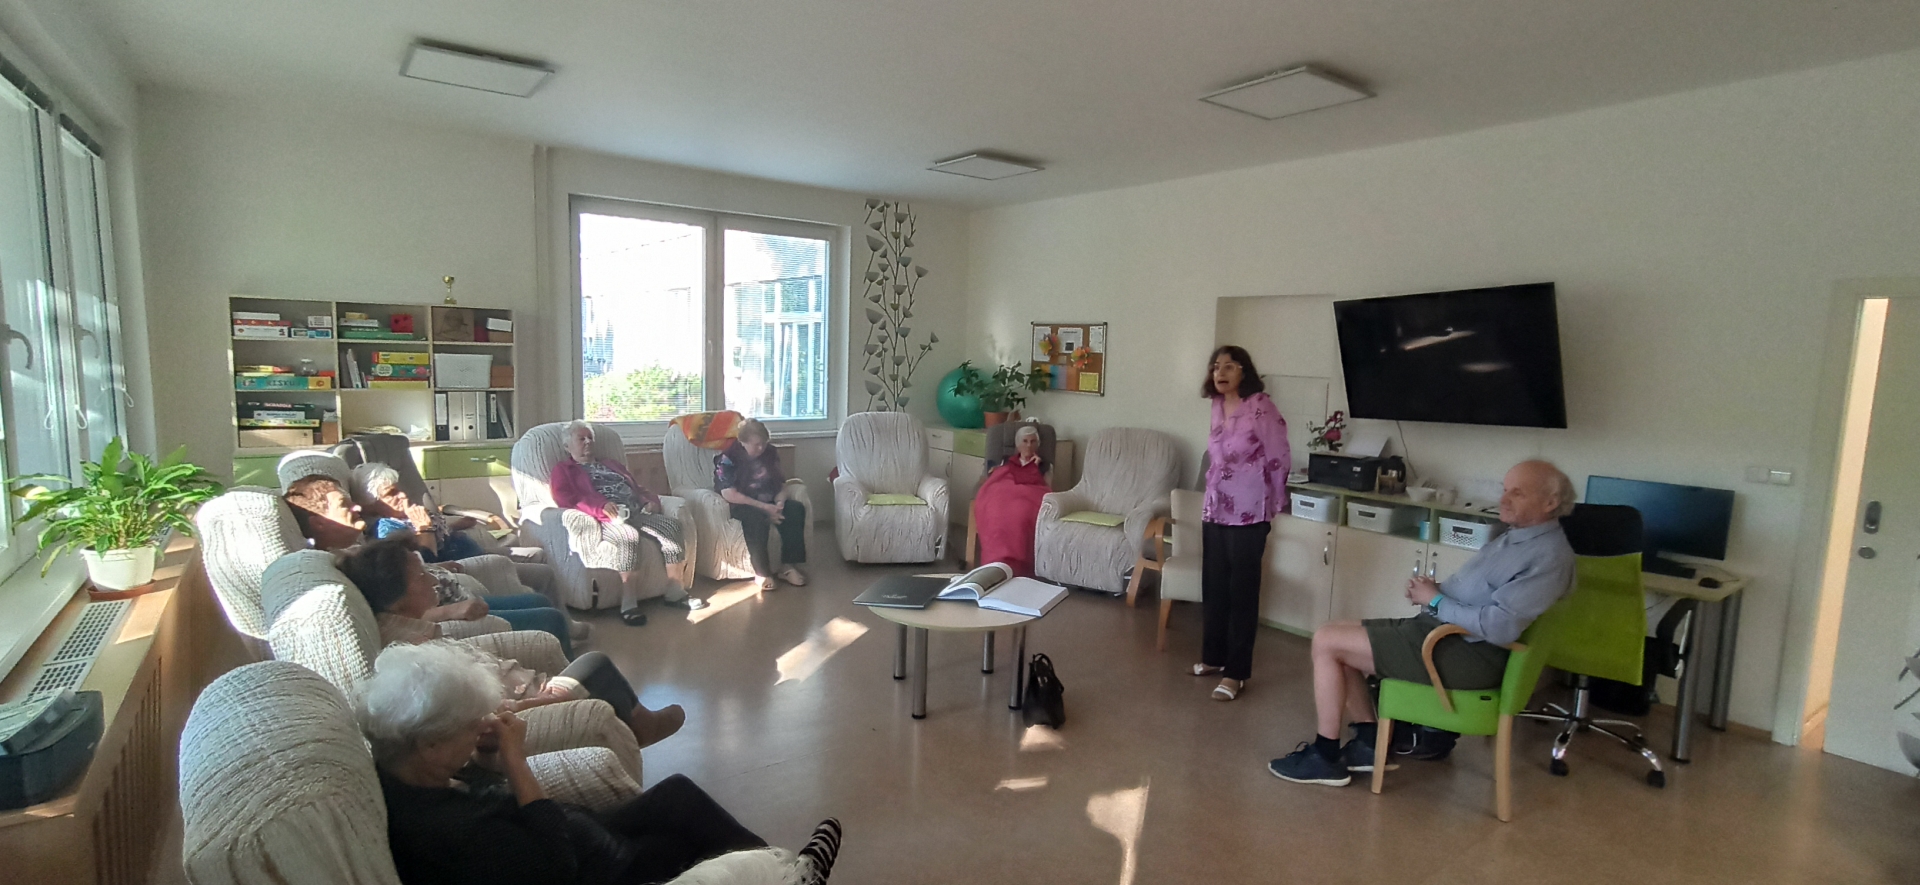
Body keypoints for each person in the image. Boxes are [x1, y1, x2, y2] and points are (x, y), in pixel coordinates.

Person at [359, 641, 842, 885]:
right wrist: (513, 758)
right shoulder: (450, 833)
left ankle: (786, 870)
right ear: (429, 742)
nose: (480, 728)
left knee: (676, 796)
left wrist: (480, 755)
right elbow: (556, 863)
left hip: (588, 838)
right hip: (596, 869)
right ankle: (784, 873)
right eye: (469, 725)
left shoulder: (412, 770)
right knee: (679, 841)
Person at [1267, 460, 1578, 787]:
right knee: (1338, 630)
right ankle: (1370, 743)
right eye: (1505, 490)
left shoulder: (1548, 556)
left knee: (1328, 641)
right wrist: (1435, 591)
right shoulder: (1518, 537)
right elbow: (1484, 596)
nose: (1504, 499)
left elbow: (1499, 627)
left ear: (1550, 502)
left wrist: (1436, 600)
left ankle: (1325, 756)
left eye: (1518, 493)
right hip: (1444, 634)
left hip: (1466, 653)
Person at [338, 537, 685, 749]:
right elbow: (469, 713)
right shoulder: (411, 654)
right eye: (420, 576)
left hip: (519, 688)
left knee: (592, 665)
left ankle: (633, 724)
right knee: (595, 665)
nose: (432, 580)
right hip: (521, 704)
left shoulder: (405, 623)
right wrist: (537, 701)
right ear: (397, 597)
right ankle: (639, 727)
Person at [285, 474, 578, 655]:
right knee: (547, 615)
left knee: (538, 599)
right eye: (343, 504)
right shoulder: (346, 563)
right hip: (444, 610)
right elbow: (390, 614)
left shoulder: (353, 547)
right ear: (319, 522)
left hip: (450, 592)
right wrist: (449, 610)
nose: (356, 507)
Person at [1194, 345, 1290, 702]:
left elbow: (1280, 457)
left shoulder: (1261, 405)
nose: (1220, 372)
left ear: (1244, 372)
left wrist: (1276, 502)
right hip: (1215, 508)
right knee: (1214, 586)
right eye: (1216, 366)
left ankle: (1236, 673)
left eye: (1229, 366)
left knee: (1242, 593)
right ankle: (1213, 657)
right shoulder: (1217, 405)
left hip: (1250, 511)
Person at [550, 421, 699, 622]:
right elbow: (566, 499)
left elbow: (637, 488)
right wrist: (600, 507)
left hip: (636, 512)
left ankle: (675, 592)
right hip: (606, 519)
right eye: (581, 439)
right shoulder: (564, 470)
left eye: (590, 438)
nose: (588, 442)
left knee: (671, 526)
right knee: (628, 536)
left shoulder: (611, 464)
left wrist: (650, 501)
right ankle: (629, 603)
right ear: (567, 446)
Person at [714, 419, 807, 591]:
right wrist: (765, 508)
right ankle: (762, 572)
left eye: (764, 443)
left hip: (770, 501)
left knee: (795, 510)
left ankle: (787, 566)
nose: (761, 448)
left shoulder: (770, 453)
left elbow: (781, 484)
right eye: (756, 444)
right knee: (756, 518)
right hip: (744, 503)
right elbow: (729, 494)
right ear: (742, 442)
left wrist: (779, 503)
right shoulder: (728, 458)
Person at [970, 423, 1050, 577]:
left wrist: (1034, 467)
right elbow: (994, 478)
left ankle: (1017, 567)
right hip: (1002, 495)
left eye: (1033, 441)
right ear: (1018, 444)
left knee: (1020, 517)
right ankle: (995, 561)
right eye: (1025, 441)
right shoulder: (1006, 461)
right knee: (995, 514)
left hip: (1029, 497)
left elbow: (1046, 487)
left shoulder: (1044, 465)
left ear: (1037, 444)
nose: (1029, 445)